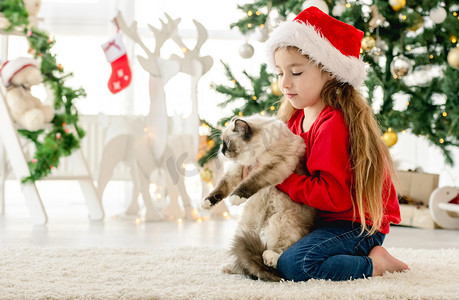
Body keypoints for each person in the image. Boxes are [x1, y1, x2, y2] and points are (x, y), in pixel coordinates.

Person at [262, 6, 409, 281]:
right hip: (321, 220)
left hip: (354, 225)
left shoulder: (333, 124)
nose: (284, 83)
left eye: (296, 72)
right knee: (263, 252)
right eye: (279, 72)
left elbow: (332, 196)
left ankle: (375, 263)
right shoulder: (296, 118)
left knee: (296, 265)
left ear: (329, 71)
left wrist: (280, 177)